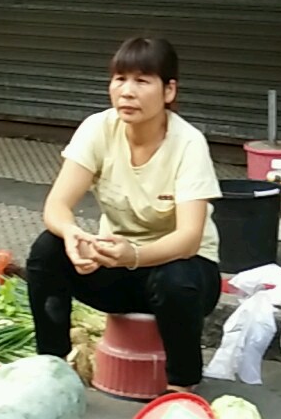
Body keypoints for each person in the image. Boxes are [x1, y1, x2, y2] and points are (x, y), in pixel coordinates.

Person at [26, 37, 223, 391]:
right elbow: (56, 206)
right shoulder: (98, 128)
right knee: (47, 250)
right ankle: (52, 371)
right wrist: (73, 236)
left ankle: (182, 386)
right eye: (120, 79)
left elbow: (189, 238)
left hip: (183, 275)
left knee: (176, 278)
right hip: (116, 269)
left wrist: (133, 255)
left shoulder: (189, 143)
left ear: (169, 91)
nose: (127, 92)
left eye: (142, 81)